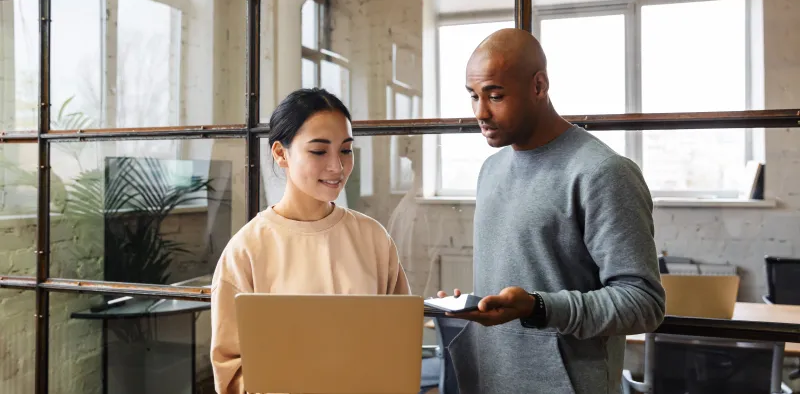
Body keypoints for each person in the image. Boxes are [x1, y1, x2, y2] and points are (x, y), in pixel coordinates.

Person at [439, 28, 665, 394]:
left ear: (539, 86)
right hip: (490, 382)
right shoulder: (490, 171)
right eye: (473, 96)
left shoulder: (602, 172)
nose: (481, 112)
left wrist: (538, 307)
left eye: (495, 96)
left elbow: (643, 303)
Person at [210, 88, 411, 394]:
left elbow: (400, 343)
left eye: (346, 150)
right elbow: (231, 371)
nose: (338, 167)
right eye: (319, 151)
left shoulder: (372, 238)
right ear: (281, 154)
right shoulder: (246, 250)